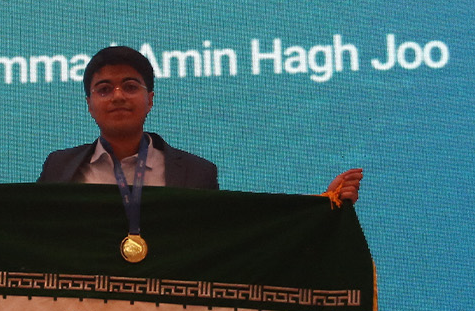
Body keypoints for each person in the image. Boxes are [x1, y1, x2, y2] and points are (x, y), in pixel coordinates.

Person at [38, 46, 362, 201]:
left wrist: (323, 205)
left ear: (150, 99)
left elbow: (237, 232)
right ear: (89, 105)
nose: (118, 96)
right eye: (104, 89)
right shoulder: (59, 167)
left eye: (130, 86)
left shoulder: (197, 173)